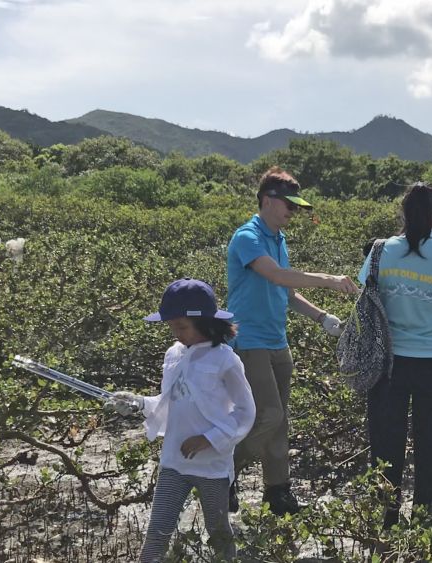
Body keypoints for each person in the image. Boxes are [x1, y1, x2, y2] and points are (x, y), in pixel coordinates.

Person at [226, 166, 359, 515]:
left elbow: (285, 290)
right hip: (249, 338)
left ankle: (277, 490)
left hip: (276, 339)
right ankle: (223, 470)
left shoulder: (278, 239)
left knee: (280, 418)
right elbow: (276, 274)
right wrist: (329, 279)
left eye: (297, 206)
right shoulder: (248, 237)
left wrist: (322, 317)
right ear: (268, 200)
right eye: (289, 204)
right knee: (267, 414)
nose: (294, 212)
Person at [106, 279, 257, 563]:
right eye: (172, 327)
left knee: (218, 531)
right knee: (158, 531)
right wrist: (138, 403)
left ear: (207, 324)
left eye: (183, 327)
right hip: (174, 461)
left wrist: (209, 439)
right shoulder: (174, 355)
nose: (176, 334)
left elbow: (245, 411)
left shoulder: (225, 360)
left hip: (212, 466)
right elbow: (169, 402)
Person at [357, 181, 432, 526]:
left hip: (387, 363)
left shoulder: (380, 251)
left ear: (404, 213)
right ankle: (425, 520)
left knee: (385, 444)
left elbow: (367, 304)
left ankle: (386, 520)